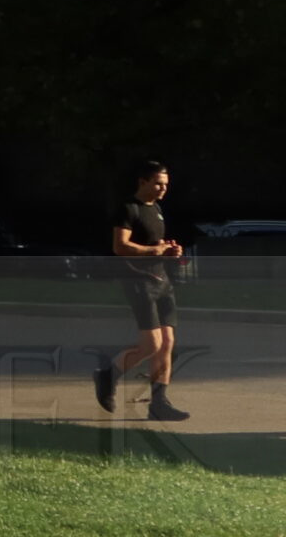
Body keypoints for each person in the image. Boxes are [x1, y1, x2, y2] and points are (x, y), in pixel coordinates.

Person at [97, 160, 189, 421]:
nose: (163, 189)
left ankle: (158, 403)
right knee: (151, 345)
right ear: (143, 182)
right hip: (139, 282)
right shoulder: (128, 209)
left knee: (167, 343)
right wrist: (155, 250)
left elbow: (155, 245)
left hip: (162, 282)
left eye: (166, 185)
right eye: (158, 183)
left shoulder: (156, 209)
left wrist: (170, 250)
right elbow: (121, 246)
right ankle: (108, 375)